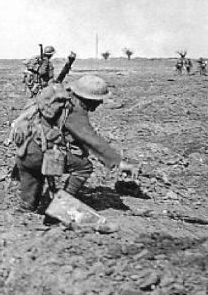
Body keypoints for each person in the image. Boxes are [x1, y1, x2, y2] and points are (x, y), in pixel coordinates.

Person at [9, 76, 138, 213]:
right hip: (40, 153)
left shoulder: (58, 98)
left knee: (33, 178)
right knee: (84, 167)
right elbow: (90, 138)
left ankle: (24, 213)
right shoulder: (73, 109)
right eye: (98, 100)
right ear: (89, 99)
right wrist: (117, 162)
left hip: (25, 150)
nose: (100, 103)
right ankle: (60, 207)